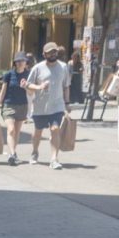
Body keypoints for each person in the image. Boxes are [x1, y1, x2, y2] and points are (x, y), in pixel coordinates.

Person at [25, 42, 70, 170]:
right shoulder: (37, 68)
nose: (53, 54)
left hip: (57, 105)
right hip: (41, 107)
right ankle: (34, 151)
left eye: (54, 52)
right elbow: (28, 85)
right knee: (38, 132)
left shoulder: (63, 67)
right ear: (44, 54)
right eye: (50, 52)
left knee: (55, 129)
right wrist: (39, 86)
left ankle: (54, 159)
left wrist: (67, 103)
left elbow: (66, 86)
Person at [0, 52, 30, 166]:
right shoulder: (9, 74)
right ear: (15, 62)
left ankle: (12, 154)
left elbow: (32, 92)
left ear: (25, 62)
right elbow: (3, 92)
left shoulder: (29, 75)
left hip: (22, 105)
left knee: (17, 132)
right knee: (11, 130)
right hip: (8, 105)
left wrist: (26, 86)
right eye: (18, 61)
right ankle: (13, 154)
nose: (20, 63)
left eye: (22, 61)